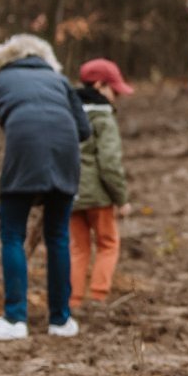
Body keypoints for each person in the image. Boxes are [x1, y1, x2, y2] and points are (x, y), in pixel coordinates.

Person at [0, 34, 92, 341]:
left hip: (25, 154)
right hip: (65, 156)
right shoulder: (58, 80)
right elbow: (84, 129)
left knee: (13, 235)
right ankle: (61, 320)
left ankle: (15, 318)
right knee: (57, 235)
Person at [71, 58, 133, 302]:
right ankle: (98, 296)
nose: (116, 96)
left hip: (71, 193)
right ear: (99, 85)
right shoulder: (103, 118)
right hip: (98, 196)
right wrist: (121, 199)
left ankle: (74, 300)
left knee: (78, 248)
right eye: (113, 89)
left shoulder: (68, 113)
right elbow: (109, 163)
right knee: (108, 244)